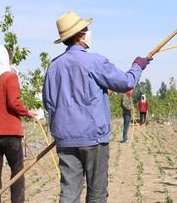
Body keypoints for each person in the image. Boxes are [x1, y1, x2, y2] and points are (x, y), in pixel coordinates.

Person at [42, 11, 151, 203]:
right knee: (97, 192)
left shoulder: (53, 67)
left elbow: (48, 102)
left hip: (65, 140)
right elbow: (126, 82)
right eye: (86, 30)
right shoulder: (94, 61)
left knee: (68, 193)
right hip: (93, 139)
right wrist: (137, 66)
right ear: (79, 35)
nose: (88, 32)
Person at [0, 45, 36, 203]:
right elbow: (13, 103)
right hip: (10, 133)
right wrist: (27, 112)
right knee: (17, 171)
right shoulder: (9, 77)